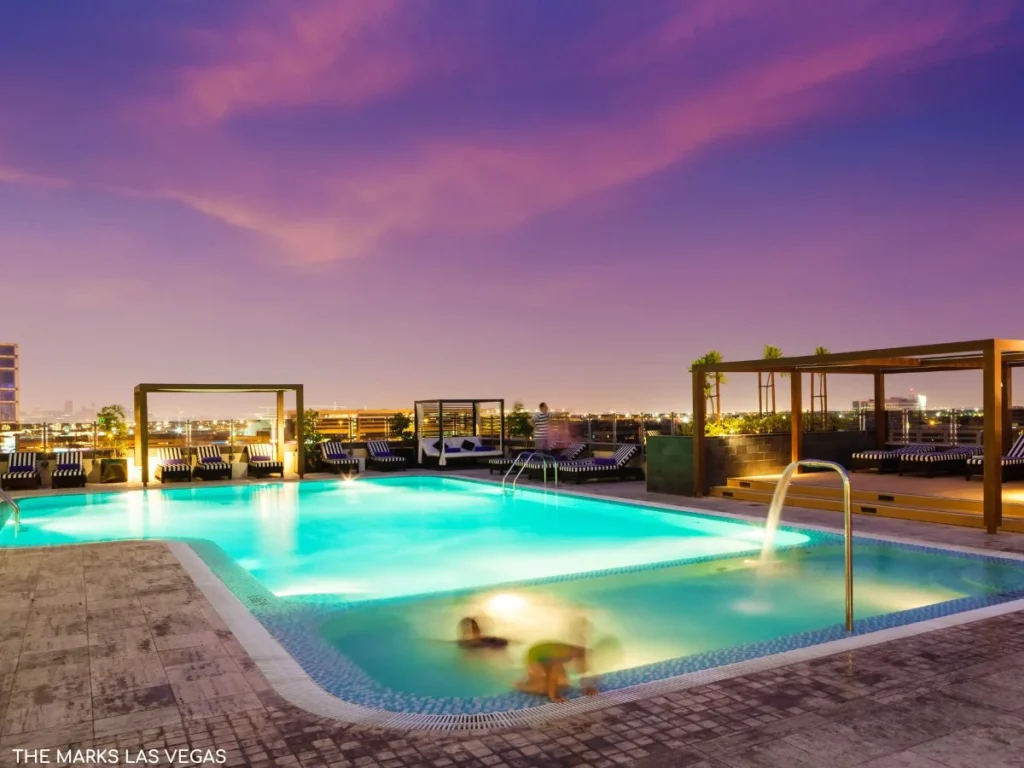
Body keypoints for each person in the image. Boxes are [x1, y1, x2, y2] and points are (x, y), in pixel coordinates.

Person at [515, 641, 599, 703]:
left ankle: (532, 680)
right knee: (542, 689)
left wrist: (587, 688)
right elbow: (552, 675)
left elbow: (582, 672)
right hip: (535, 655)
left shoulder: (578, 654)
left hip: (548, 656)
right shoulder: (565, 654)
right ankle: (520, 685)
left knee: (563, 684)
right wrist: (554, 696)